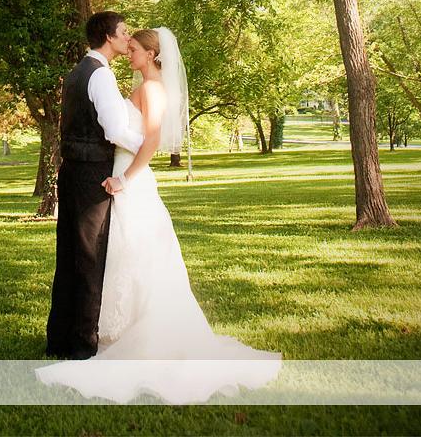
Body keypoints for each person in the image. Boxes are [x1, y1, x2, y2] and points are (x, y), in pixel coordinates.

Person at [37, 27, 282, 404]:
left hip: (128, 176)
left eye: (134, 49)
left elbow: (150, 140)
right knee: (119, 253)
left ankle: (135, 335)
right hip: (118, 171)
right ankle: (108, 330)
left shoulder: (151, 89)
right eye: (128, 46)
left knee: (135, 253)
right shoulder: (143, 85)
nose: (129, 54)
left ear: (150, 55)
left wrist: (125, 179)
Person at [44, 10, 144, 360]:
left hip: (71, 172)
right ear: (107, 36)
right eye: (123, 32)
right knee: (89, 258)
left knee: (69, 256)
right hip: (91, 176)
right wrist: (146, 144)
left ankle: (58, 339)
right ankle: (83, 346)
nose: (127, 37)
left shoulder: (77, 72)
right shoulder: (100, 76)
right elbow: (114, 130)